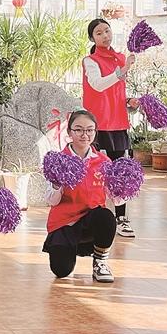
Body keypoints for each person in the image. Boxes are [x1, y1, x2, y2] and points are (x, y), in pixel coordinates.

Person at [42, 110, 118, 283]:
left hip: (91, 220)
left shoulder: (104, 162)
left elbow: (116, 199)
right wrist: (57, 183)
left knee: (106, 217)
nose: (85, 135)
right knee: (61, 271)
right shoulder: (58, 161)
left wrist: (123, 186)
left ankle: (100, 262)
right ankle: (69, 249)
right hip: (64, 222)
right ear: (69, 132)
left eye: (90, 130)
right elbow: (52, 201)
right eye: (79, 130)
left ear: (95, 132)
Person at [82, 18, 139, 238]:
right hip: (97, 126)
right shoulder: (90, 61)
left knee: (120, 174)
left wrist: (129, 102)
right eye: (99, 33)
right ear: (92, 38)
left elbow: (115, 92)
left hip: (118, 124)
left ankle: (121, 219)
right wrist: (122, 70)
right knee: (94, 171)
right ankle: (92, 216)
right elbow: (98, 85)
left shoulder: (120, 59)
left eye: (107, 31)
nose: (105, 35)